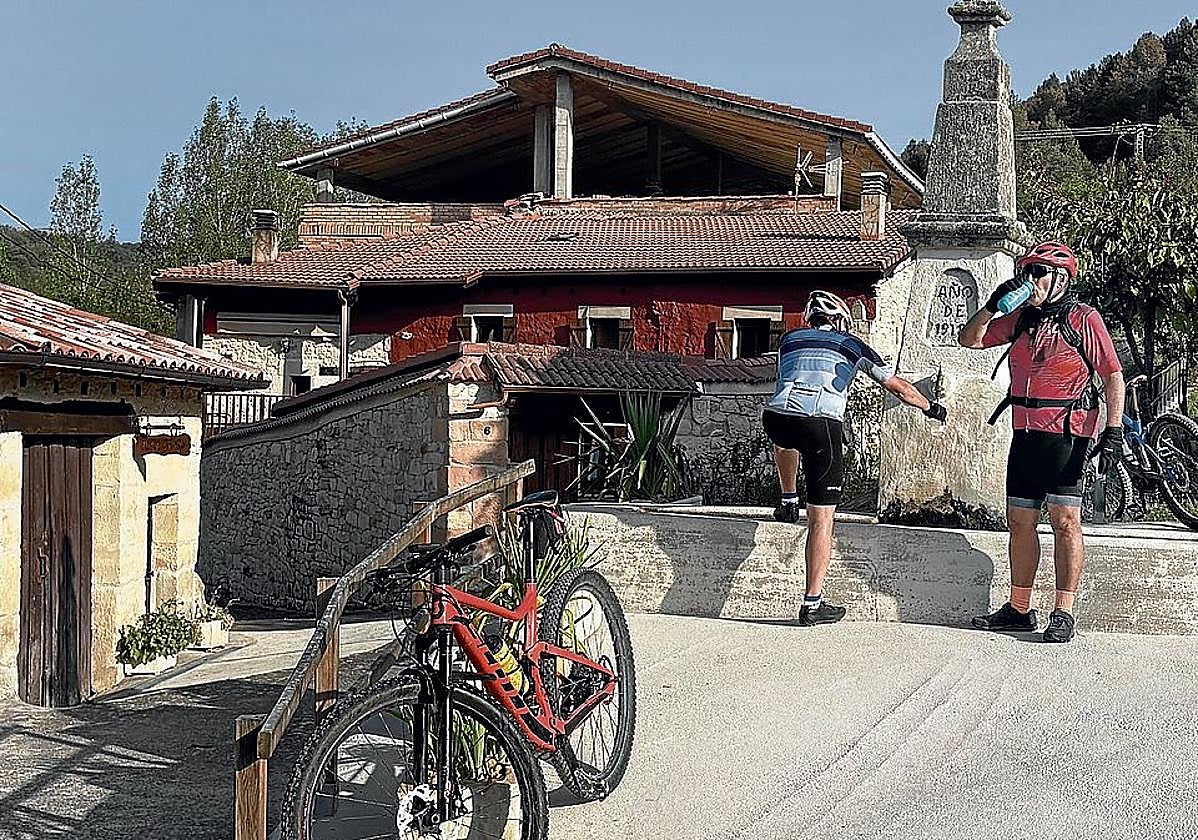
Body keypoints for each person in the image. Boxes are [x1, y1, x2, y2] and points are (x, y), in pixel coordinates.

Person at [958, 240, 1124, 643]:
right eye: (1027, 272)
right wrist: (993, 305)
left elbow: (1112, 374)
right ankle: (1019, 610)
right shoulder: (1020, 319)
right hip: (1025, 433)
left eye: (1039, 272)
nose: (1031, 280)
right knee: (1020, 522)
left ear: (1062, 278)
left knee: (1065, 521)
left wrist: (1114, 429)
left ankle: (1063, 610)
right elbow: (969, 339)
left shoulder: (1084, 319)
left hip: (1068, 434)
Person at [764, 290, 948, 626]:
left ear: (811, 319)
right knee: (821, 521)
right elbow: (897, 387)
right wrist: (930, 407)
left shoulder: (789, 339)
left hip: (775, 416)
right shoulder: (852, 344)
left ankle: (788, 498)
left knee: (785, 437)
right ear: (841, 321)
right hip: (820, 423)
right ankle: (812, 604)